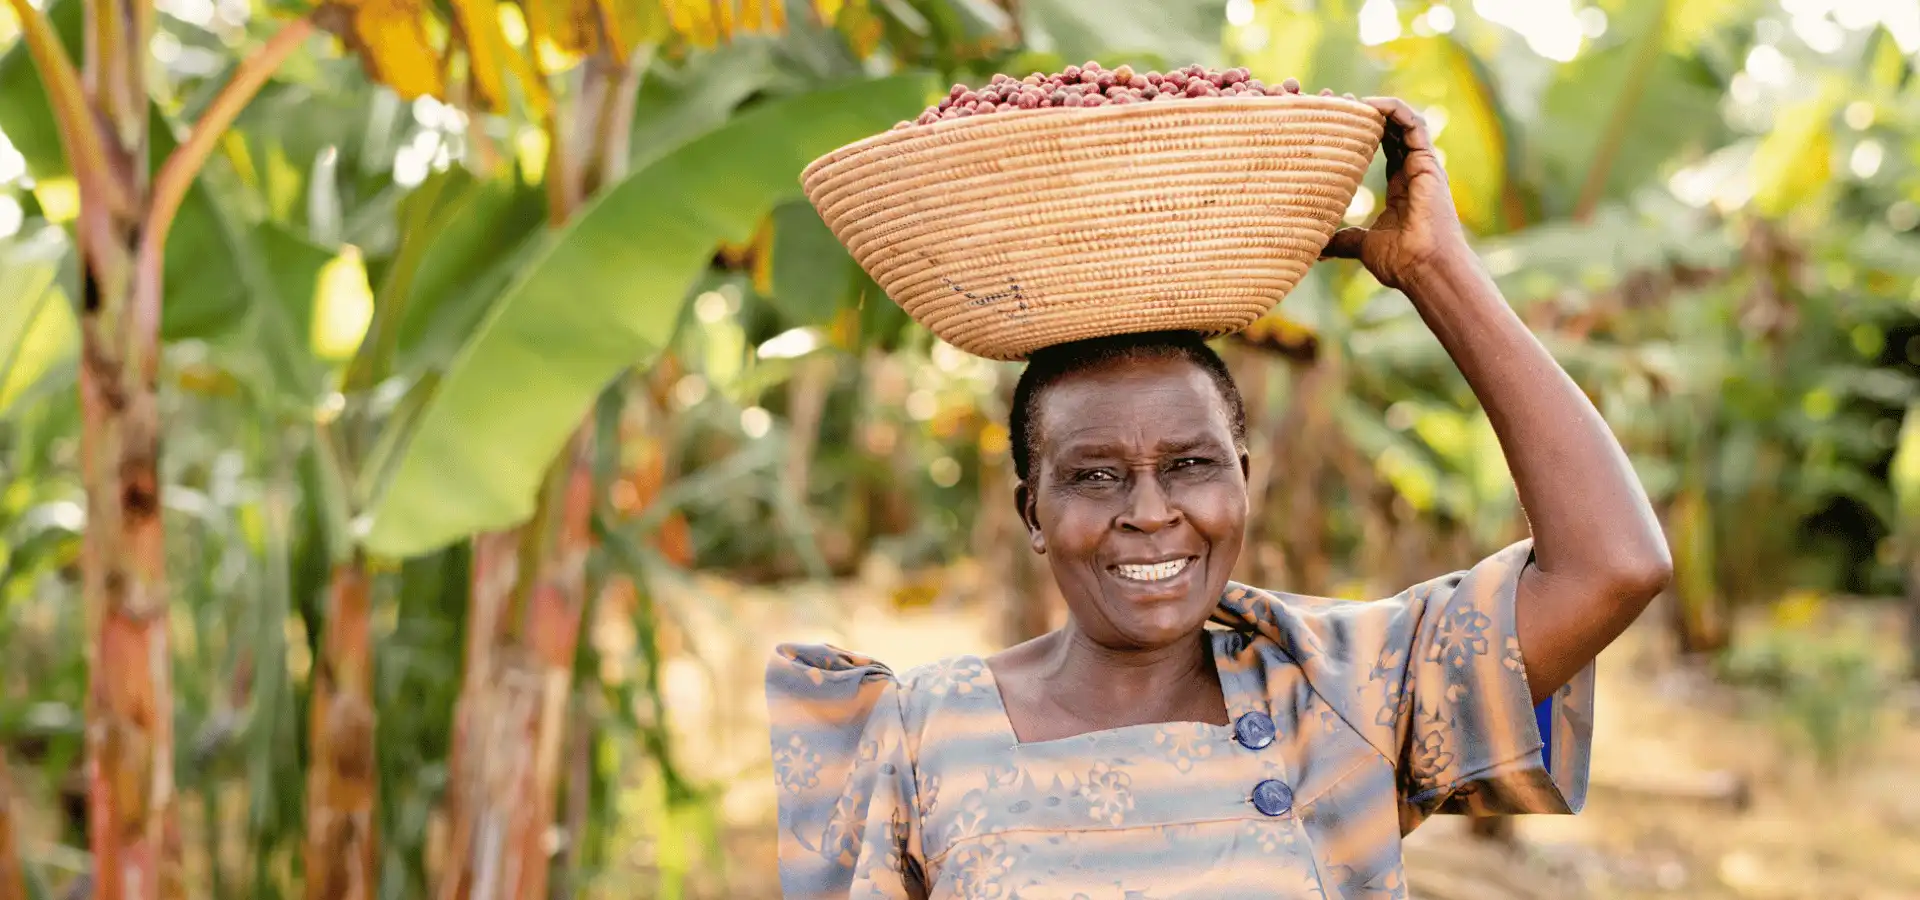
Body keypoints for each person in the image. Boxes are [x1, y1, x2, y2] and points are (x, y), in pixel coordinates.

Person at [765, 97, 1672, 899]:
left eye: (1193, 464)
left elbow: (1613, 565)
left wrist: (1436, 272)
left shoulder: (1340, 692)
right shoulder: (922, 731)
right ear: (1032, 514)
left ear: (1245, 478)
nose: (1153, 511)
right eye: (1095, 475)